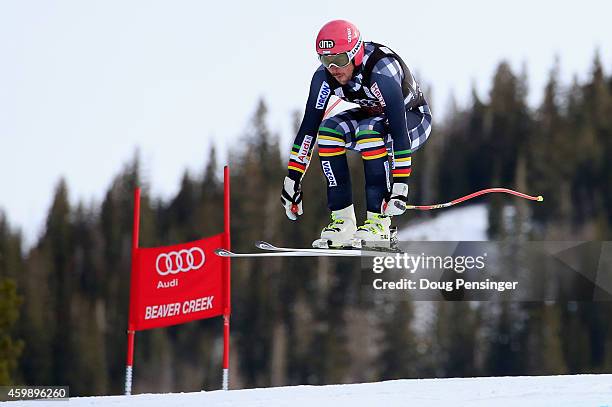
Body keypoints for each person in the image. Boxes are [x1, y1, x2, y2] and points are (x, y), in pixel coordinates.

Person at [281, 19, 432, 248]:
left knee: (368, 131)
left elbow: (399, 130)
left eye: (339, 60)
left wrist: (401, 185)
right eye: (325, 60)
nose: (333, 68)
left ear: (356, 53)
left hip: (413, 121)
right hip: (374, 119)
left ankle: (379, 224)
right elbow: (308, 128)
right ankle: (343, 222)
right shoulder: (324, 78)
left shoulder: (381, 70)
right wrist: (293, 177)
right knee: (329, 131)